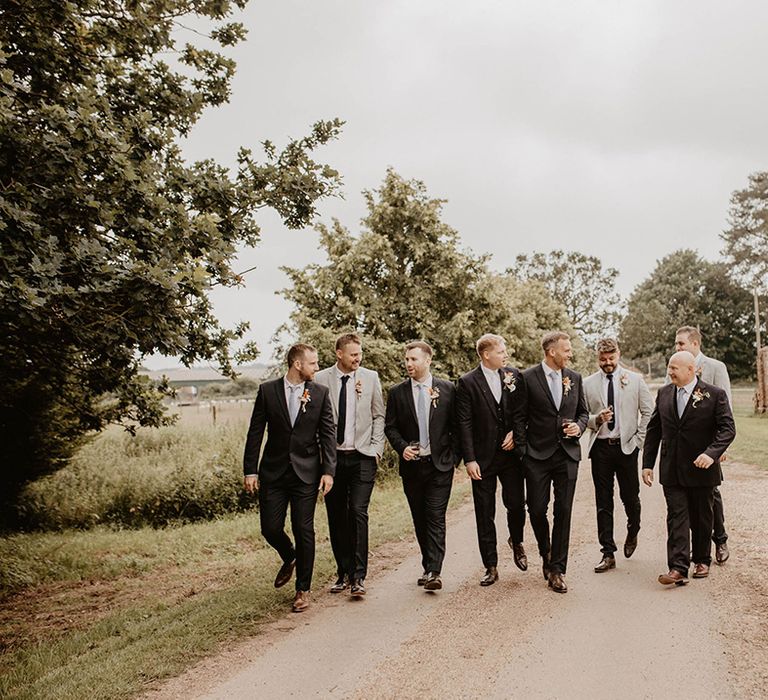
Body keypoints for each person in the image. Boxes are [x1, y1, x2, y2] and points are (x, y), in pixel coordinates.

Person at [243, 344, 336, 613]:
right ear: (297, 364)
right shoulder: (268, 391)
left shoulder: (320, 393)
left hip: (307, 473)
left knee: (303, 528)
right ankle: (290, 555)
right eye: (313, 363)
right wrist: (250, 470)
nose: (317, 368)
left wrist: (329, 471)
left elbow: (328, 434)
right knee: (270, 528)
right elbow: (255, 432)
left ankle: (302, 590)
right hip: (273, 471)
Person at [642, 351, 735, 586]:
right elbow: (654, 430)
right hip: (671, 469)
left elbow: (727, 429)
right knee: (676, 517)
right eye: (669, 367)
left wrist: (711, 454)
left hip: (701, 469)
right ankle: (678, 567)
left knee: (702, 517)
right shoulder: (663, 393)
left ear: (691, 370)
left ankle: (702, 560)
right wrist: (647, 464)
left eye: (674, 368)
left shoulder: (715, 395)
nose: (669, 371)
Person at [384, 341, 460, 591]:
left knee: (435, 516)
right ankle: (428, 565)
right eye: (406, 359)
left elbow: (457, 426)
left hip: (440, 466)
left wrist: (453, 459)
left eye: (413, 359)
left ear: (427, 361)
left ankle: (435, 571)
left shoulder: (447, 389)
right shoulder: (397, 392)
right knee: (419, 517)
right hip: (412, 467)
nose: (408, 364)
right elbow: (390, 427)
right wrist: (402, 447)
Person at [314, 333, 385, 597]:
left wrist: (377, 448)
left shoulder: (371, 377)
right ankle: (343, 573)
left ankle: (358, 577)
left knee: (357, 511)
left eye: (360, 353)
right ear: (339, 354)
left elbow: (379, 414)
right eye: (353, 354)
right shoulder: (321, 379)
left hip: (362, 456)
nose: (358, 358)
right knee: (336, 516)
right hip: (331, 460)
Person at [456, 333, 527, 587]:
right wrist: (469, 459)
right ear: (486, 355)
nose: (505, 354)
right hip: (482, 458)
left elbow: (521, 412)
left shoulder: (514, 375)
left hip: (510, 455)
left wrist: (515, 435)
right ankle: (491, 566)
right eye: (501, 350)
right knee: (484, 512)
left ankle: (516, 540)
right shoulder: (467, 382)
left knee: (517, 504)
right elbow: (463, 423)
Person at [522, 331, 588, 594]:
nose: (570, 354)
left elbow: (583, 412)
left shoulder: (575, 378)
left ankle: (558, 570)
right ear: (552, 352)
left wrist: (579, 427)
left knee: (563, 511)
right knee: (537, 510)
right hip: (536, 456)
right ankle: (545, 551)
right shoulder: (527, 378)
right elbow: (519, 417)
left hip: (567, 455)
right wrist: (523, 450)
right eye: (566, 350)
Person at [583, 338, 653, 573]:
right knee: (603, 502)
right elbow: (583, 417)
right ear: (597, 358)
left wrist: (638, 441)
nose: (608, 363)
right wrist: (596, 420)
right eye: (603, 360)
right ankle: (607, 552)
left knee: (630, 498)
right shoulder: (588, 383)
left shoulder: (635, 380)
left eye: (611, 358)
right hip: (601, 448)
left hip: (626, 448)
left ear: (618, 355)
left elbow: (648, 412)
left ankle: (633, 529)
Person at [674, 325, 732, 564]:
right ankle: (693, 546)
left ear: (695, 344)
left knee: (712, 494)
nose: (676, 347)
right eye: (676, 344)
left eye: (681, 344)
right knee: (687, 497)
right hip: (685, 446)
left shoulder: (716, 367)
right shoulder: (677, 366)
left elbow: (726, 408)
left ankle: (720, 539)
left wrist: (721, 449)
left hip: (709, 447)